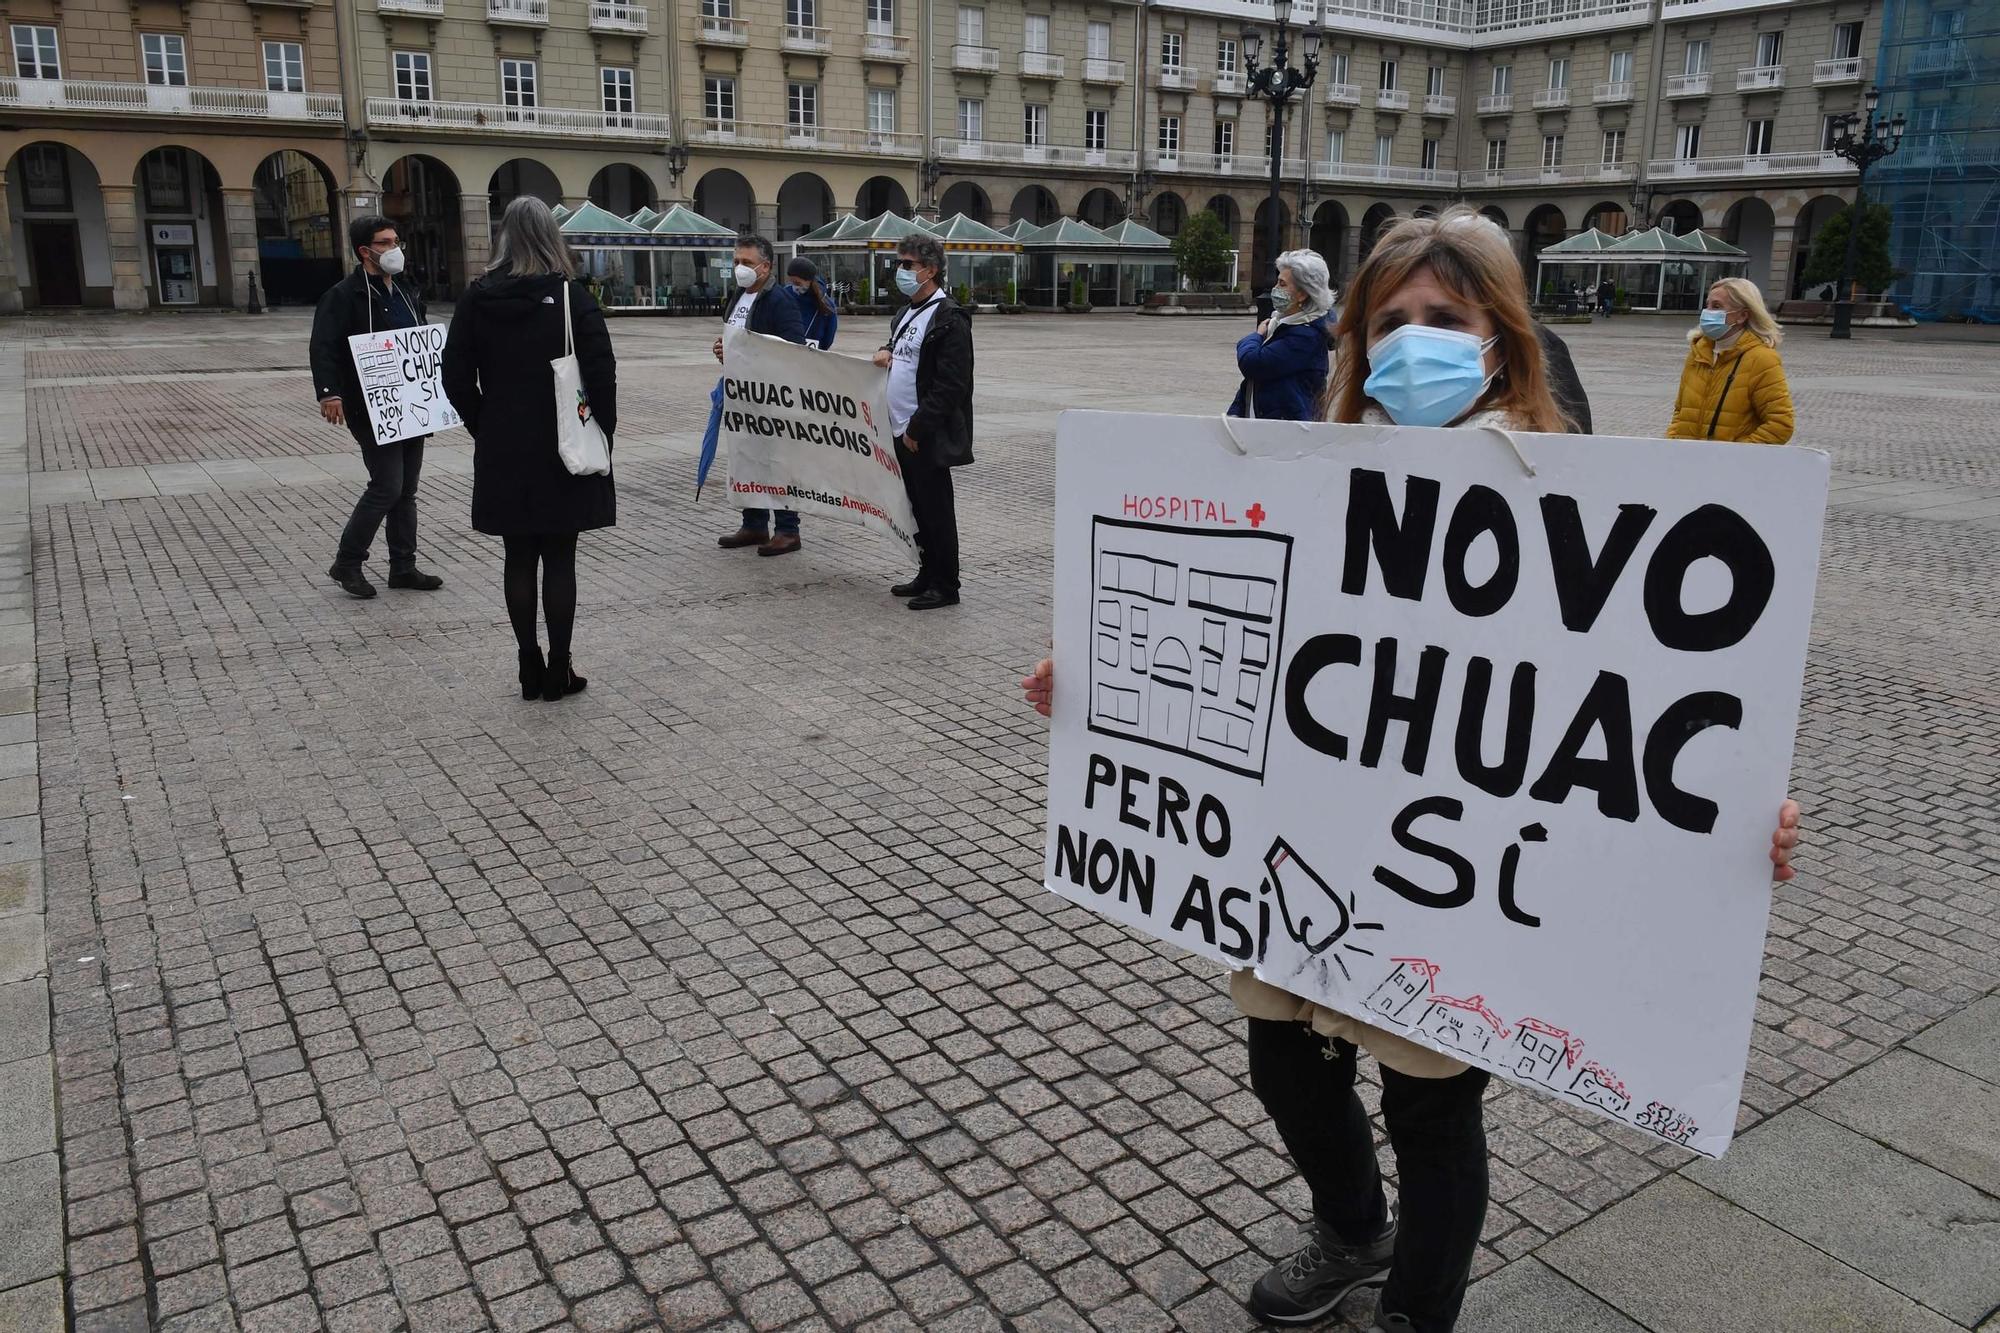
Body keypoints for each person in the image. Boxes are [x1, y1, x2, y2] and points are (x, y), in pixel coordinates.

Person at [1019, 207, 1805, 1333]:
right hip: (1304, 849)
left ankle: (1414, 1314)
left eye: (1443, 316)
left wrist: (1736, 809)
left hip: (1450, 883)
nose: (1411, 341)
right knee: (1282, 1060)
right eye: (1387, 321)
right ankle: (1349, 1231)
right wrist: (1096, 678)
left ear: (1499, 334)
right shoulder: (1317, 469)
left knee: (1431, 1118)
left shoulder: (1576, 490)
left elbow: (1638, 700)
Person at [441, 197, 617, 702]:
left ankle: (528, 664)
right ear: (551, 237)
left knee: (518, 556)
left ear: (504, 238)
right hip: (562, 446)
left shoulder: (476, 298)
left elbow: (454, 375)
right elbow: (602, 375)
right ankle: (560, 668)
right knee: (560, 557)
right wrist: (602, 434)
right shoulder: (571, 297)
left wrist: (485, 425)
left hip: (503, 446)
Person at [310, 215, 445, 600]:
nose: (394, 249)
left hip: (412, 403)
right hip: (371, 405)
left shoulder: (406, 289)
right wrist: (329, 393)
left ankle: (403, 566)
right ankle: (347, 562)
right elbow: (323, 346)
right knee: (386, 486)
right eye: (385, 243)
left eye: (396, 240)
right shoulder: (342, 295)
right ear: (364, 251)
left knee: (406, 490)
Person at [872, 233, 973, 611]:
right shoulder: (906, 313)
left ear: (930, 270)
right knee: (916, 507)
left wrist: (918, 428)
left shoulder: (949, 317)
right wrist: (886, 349)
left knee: (936, 509)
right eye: (899, 263)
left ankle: (946, 585)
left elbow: (951, 385)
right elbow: (901, 350)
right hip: (900, 428)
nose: (900, 270)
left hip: (924, 432)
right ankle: (927, 572)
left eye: (907, 264)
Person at [714, 234, 808, 556]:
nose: (740, 268)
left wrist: (751, 353)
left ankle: (787, 529)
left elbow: (794, 347)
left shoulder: (780, 300)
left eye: (747, 263)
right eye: (737, 261)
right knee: (747, 459)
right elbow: (734, 337)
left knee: (776, 462)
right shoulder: (738, 296)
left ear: (766, 267)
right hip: (741, 396)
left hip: (771, 397)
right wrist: (723, 349)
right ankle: (754, 523)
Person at [1667, 278, 1795, 444]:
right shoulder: (1698, 353)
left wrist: (1735, 455)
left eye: (1717, 306)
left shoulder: (1762, 359)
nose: (1707, 311)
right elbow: (1680, 411)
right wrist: (1671, 444)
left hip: (1730, 466)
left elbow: (1780, 424)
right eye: (1708, 305)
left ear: (1742, 315)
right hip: (1688, 462)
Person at [1228, 249, 1334, 420]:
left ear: (1302, 294)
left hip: (1289, 433)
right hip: (1266, 427)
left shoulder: (1306, 336)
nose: (1275, 289)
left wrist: (1256, 336)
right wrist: (1236, 412)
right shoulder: (1281, 322)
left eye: (1282, 284)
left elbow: (1253, 364)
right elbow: (1253, 384)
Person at [786, 257, 840, 349]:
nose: (794, 287)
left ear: (809, 281)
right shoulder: (785, 294)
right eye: (792, 282)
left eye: (798, 283)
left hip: (812, 355)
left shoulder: (827, 305)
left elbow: (828, 338)